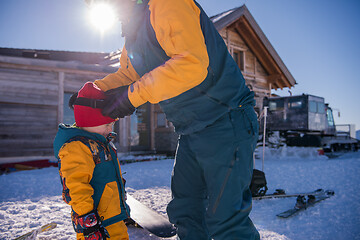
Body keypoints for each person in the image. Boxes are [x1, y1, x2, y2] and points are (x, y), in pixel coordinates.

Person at [93, 0, 260, 239]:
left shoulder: (167, 3)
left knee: (225, 219)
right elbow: (129, 74)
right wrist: (96, 92)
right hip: (191, 128)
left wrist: (131, 97)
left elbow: (191, 63)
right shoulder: (135, 27)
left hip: (227, 118)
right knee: (185, 211)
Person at [53, 82, 129, 240]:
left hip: (112, 218)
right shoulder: (77, 147)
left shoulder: (99, 142)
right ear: (89, 123)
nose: (110, 129)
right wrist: (89, 224)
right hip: (96, 226)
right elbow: (77, 188)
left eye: (112, 124)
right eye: (107, 124)